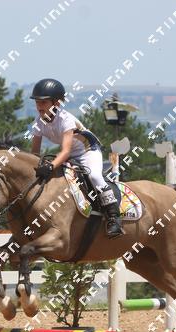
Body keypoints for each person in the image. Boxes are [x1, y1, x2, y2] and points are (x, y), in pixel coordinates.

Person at [29, 78, 124, 238]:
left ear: (56, 103)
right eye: (37, 102)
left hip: (88, 152)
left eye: (43, 102)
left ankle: (114, 218)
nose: (39, 106)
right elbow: (34, 153)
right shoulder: (38, 122)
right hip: (69, 155)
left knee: (95, 177)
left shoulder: (65, 120)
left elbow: (65, 151)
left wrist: (50, 166)